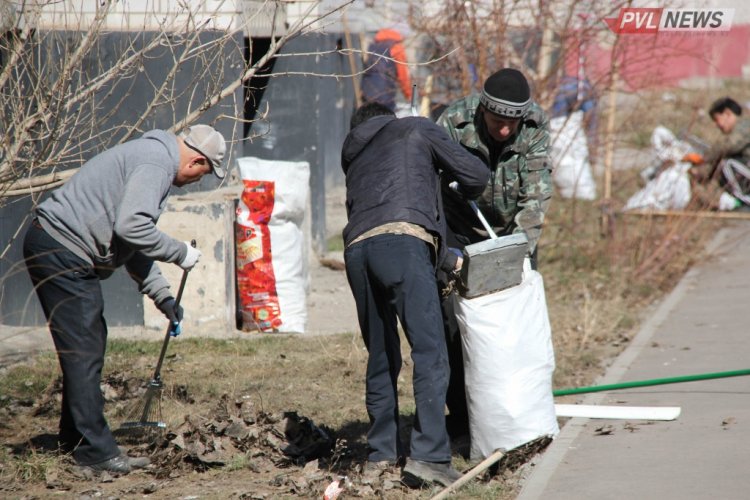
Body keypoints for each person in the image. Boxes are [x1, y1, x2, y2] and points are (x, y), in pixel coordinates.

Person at [22, 124, 226, 474]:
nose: (197, 180)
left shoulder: (151, 158)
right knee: (84, 348)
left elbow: (131, 244)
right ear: (196, 160)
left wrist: (163, 296)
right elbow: (133, 228)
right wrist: (179, 252)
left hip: (58, 246)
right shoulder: (156, 163)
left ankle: (76, 441)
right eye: (203, 174)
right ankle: (96, 453)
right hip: (61, 247)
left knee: (86, 345)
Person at [341, 102, 489, 487]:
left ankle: (381, 454)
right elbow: (476, 175)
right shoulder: (415, 129)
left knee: (382, 354)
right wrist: (449, 177)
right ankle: (430, 457)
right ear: (390, 116)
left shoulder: (354, 155)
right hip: (403, 242)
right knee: (429, 350)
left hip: (357, 251)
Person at [435, 68, 553, 445]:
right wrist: (447, 250)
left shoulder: (533, 126)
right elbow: (430, 187)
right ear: (482, 109)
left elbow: (534, 200)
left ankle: (514, 411)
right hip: (459, 233)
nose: (504, 131)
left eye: (511, 124)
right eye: (497, 121)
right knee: (454, 328)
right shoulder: (453, 123)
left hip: (510, 235)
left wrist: (514, 257)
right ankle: (462, 417)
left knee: (516, 325)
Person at [688, 96, 750, 210]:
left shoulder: (745, 127)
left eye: (717, 120)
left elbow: (728, 146)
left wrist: (702, 158)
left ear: (727, 114)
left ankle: (744, 202)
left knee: (727, 164)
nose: (717, 125)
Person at [360, 28, 412, 112]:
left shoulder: (373, 46)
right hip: (385, 96)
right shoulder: (396, 48)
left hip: (367, 94)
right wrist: (409, 95)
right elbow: (403, 76)